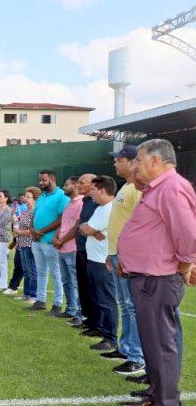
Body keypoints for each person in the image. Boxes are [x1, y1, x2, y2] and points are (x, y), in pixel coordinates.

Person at [118, 139, 196, 406]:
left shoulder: (172, 187)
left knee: (161, 343)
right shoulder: (158, 188)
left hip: (158, 278)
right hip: (148, 276)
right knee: (151, 341)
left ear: (155, 160)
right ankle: (156, 393)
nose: (135, 166)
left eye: (138, 160)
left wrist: (187, 263)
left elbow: (188, 232)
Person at [104, 145, 145, 376]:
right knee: (125, 304)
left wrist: (124, 255)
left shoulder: (136, 189)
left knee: (132, 306)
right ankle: (126, 349)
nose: (114, 163)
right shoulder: (126, 187)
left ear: (131, 162)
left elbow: (137, 224)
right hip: (117, 254)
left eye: (118, 159)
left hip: (127, 256)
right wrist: (112, 253)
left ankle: (137, 356)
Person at [79, 176, 118, 352]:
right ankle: (99, 328)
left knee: (106, 300)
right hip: (94, 259)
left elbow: (86, 229)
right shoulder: (101, 208)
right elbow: (84, 227)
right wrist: (91, 230)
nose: (91, 193)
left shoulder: (108, 209)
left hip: (103, 262)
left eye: (93, 190)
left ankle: (110, 338)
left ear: (102, 190)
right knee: (96, 297)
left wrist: (90, 230)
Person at [26, 170, 69, 314]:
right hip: (37, 241)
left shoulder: (61, 196)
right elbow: (34, 214)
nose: (41, 183)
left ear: (52, 179)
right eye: (40, 180)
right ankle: (40, 300)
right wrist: (32, 228)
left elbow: (61, 218)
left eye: (43, 180)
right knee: (41, 272)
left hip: (50, 242)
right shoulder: (41, 196)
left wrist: (42, 231)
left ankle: (57, 304)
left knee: (56, 273)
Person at [51, 176, 84, 321]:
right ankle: (70, 309)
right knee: (66, 281)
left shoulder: (81, 203)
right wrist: (56, 238)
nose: (64, 187)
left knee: (76, 281)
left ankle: (79, 313)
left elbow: (77, 226)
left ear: (76, 186)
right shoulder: (69, 203)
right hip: (62, 248)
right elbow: (63, 223)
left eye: (66, 184)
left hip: (72, 248)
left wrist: (62, 240)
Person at [73, 173, 99, 331]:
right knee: (83, 286)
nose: (78, 185)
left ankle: (97, 324)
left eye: (82, 183)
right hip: (81, 249)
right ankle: (88, 319)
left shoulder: (98, 203)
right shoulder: (86, 201)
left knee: (92, 288)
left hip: (92, 252)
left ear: (92, 184)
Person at [13, 187, 40, 303]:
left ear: (35, 199)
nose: (25, 199)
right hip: (22, 244)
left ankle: (34, 296)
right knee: (25, 270)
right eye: (25, 196)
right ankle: (26, 293)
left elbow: (34, 229)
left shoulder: (36, 212)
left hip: (30, 244)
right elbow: (18, 224)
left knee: (32, 271)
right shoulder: (25, 211)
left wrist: (20, 232)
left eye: (28, 197)